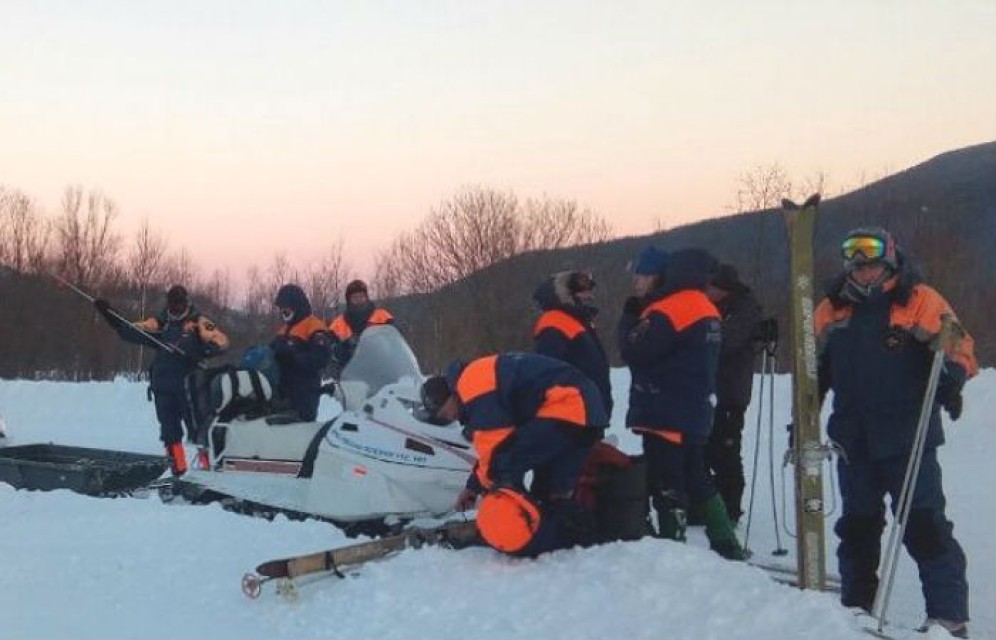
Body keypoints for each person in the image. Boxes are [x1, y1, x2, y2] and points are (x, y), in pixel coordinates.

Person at [815, 227, 977, 637]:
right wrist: (805, 409)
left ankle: (947, 615)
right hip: (854, 439)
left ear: (888, 260)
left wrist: (952, 377)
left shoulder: (918, 299)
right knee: (858, 528)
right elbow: (813, 365)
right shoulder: (833, 309)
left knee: (924, 525)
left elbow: (957, 344)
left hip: (907, 437)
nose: (864, 269)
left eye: (871, 261)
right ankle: (856, 607)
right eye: (856, 261)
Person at [618, 246, 747, 560]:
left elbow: (635, 349)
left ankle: (672, 550)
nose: (637, 282)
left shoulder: (668, 311)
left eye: (643, 275)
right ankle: (726, 543)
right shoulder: (704, 306)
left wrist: (629, 318)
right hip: (693, 409)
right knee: (697, 477)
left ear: (660, 277)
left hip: (665, 412)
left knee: (668, 483)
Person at [420, 352, 608, 557]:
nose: (452, 418)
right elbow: (494, 447)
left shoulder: (471, 384)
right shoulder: (477, 378)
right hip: (584, 408)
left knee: (504, 467)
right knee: (548, 492)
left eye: (446, 413)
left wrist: (490, 490)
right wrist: (472, 487)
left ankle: (519, 528)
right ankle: (576, 534)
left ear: (449, 395)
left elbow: (495, 450)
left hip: (566, 405)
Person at [95, 285, 229, 476]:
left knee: (199, 429)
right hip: (163, 387)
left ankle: (207, 470)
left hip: (190, 388)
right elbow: (132, 330)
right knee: (169, 432)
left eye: (179, 303)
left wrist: (206, 350)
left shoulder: (198, 321)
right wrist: (110, 315)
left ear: (186, 302)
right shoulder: (160, 322)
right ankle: (179, 470)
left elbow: (222, 340)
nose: (176, 308)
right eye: (172, 304)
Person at [703, 263, 762, 523]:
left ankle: (730, 507)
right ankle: (708, 505)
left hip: (730, 392)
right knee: (705, 450)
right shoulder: (720, 308)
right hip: (711, 390)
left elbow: (727, 341)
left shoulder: (744, 308)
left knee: (725, 452)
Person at [531, 270, 613, 417]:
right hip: (573, 415)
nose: (589, 297)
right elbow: (548, 375)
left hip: (588, 412)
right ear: (567, 295)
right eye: (582, 294)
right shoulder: (554, 323)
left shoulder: (579, 322)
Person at [271, 284, 334, 421]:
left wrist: (294, 358)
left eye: (286, 307)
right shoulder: (283, 330)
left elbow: (321, 358)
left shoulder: (314, 326)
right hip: (282, 392)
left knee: (303, 432)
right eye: (281, 308)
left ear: (296, 305)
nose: (283, 311)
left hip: (305, 392)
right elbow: (272, 354)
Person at [327, 279, 394, 376]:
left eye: (361, 296)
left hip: (382, 370)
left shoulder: (383, 317)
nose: (359, 300)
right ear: (349, 300)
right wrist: (346, 345)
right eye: (355, 297)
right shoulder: (338, 324)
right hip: (350, 374)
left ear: (366, 297)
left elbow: (396, 341)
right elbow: (330, 352)